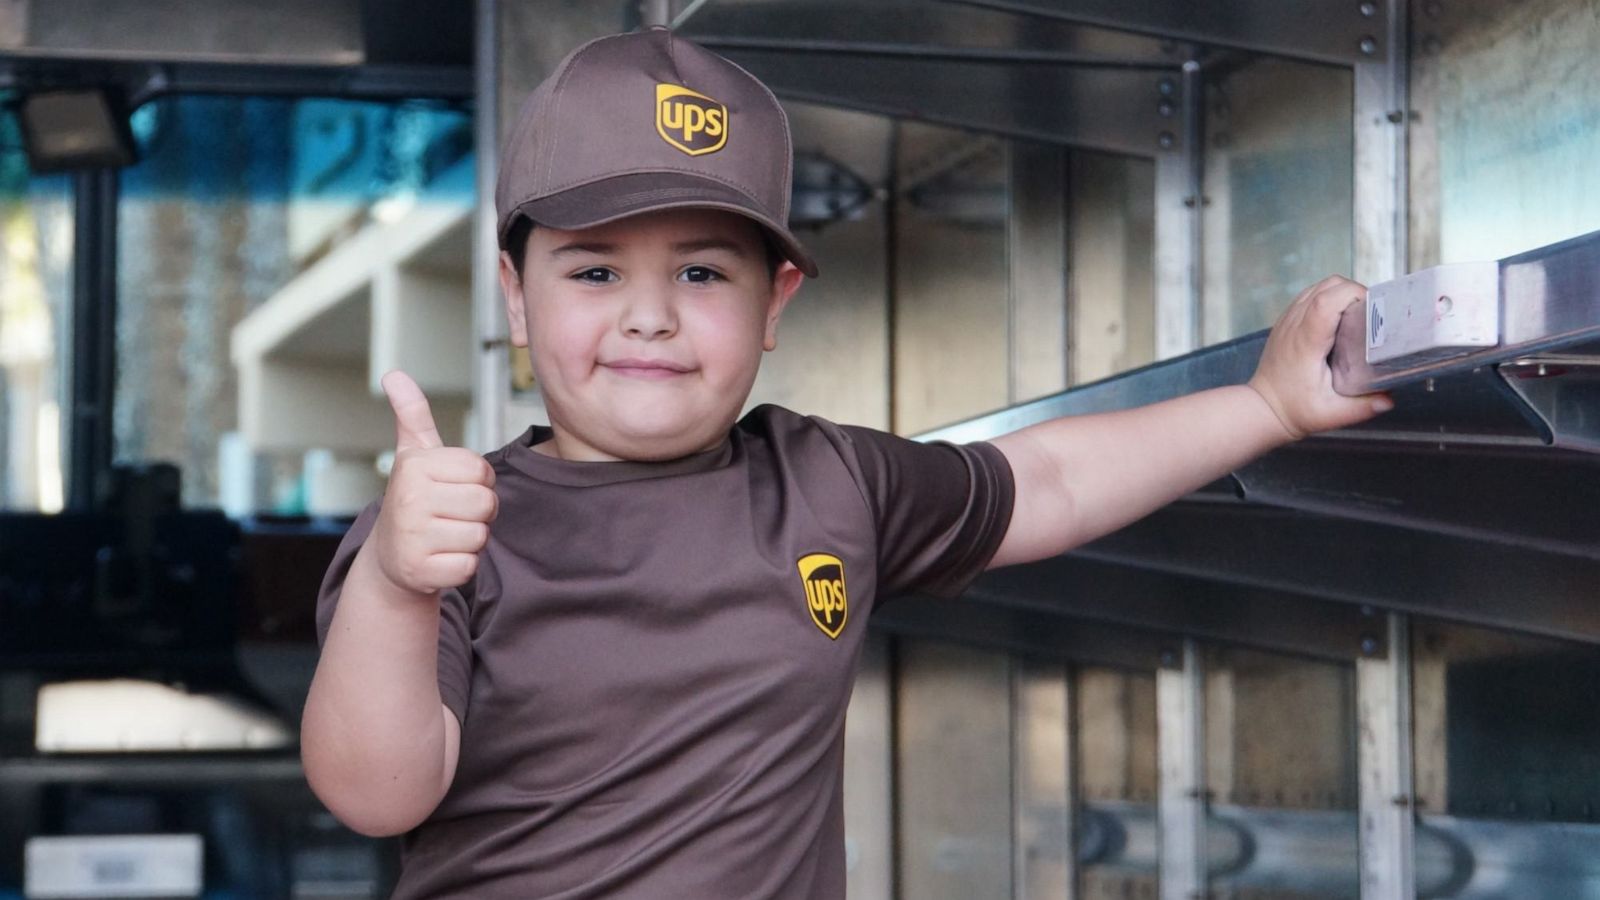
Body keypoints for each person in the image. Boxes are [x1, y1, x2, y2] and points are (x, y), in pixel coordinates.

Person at [300, 26, 1392, 899]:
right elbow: (377, 794)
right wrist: (399, 585)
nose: (648, 318)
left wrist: (1266, 406)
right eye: (592, 273)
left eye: (701, 273)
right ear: (514, 293)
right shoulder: (441, 530)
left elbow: (1046, 482)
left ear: (774, 301)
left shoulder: (825, 483)